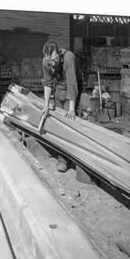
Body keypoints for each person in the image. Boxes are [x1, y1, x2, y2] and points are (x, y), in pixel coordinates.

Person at [41, 41, 82, 172]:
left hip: (73, 84)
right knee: (59, 121)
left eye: (54, 60)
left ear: (58, 53)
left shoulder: (69, 57)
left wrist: (71, 108)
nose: (52, 63)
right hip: (59, 85)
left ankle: (68, 159)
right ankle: (62, 156)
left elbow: (72, 82)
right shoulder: (45, 61)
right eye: (49, 61)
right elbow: (47, 83)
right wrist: (46, 105)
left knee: (69, 120)